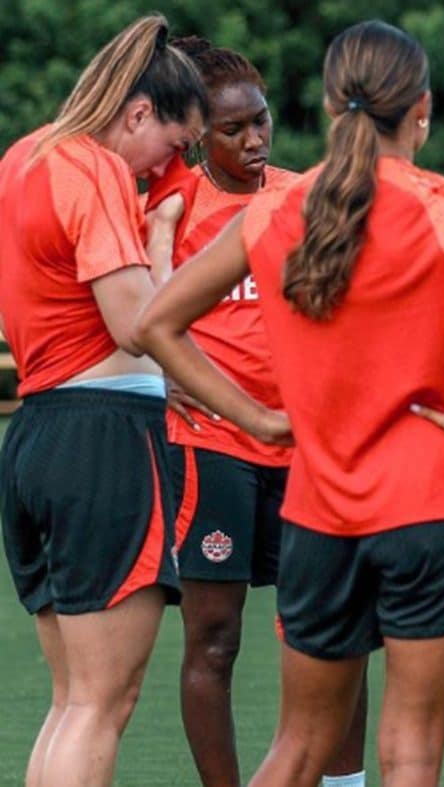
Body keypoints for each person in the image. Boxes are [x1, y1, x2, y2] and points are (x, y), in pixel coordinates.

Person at [135, 19, 444, 787]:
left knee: (296, 748)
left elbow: (155, 323)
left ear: (331, 109)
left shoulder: (273, 211)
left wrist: (260, 418)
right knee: (409, 754)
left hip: (319, 508)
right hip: (436, 503)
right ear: (422, 111)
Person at [142, 36, 367, 787]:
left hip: (309, 447)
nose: (254, 139)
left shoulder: (306, 198)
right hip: (214, 445)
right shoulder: (173, 202)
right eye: (232, 129)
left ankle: (343, 783)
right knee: (213, 638)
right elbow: (142, 309)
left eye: (261, 121)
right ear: (197, 134)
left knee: (333, 631)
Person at [0, 14, 206, 787]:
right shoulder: (93, 167)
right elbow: (136, 323)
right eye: (174, 145)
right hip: (103, 437)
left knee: (72, 701)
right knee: (100, 703)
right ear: (138, 114)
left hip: (40, 433)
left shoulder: (24, 155)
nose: (169, 165)